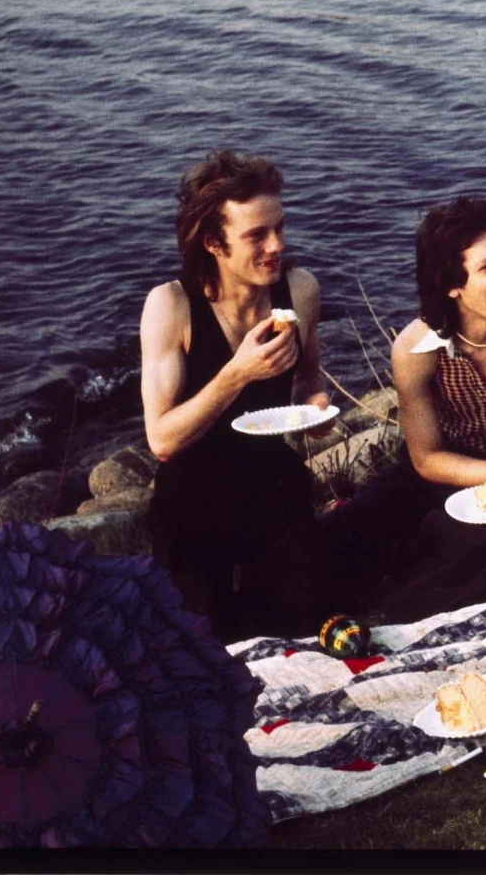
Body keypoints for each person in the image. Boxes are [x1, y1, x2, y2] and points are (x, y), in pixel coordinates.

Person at [319, 197, 486, 622]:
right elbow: (427, 458)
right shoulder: (415, 348)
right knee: (341, 533)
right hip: (443, 470)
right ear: (451, 284)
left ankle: (403, 606)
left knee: (479, 548)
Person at [141, 150, 332, 640]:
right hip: (192, 506)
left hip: (273, 489)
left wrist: (318, 409)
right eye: (256, 236)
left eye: (280, 228)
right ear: (213, 243)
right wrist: (237, 373)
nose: (277, 246)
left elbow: (309, 382)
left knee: (303, 632)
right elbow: (161, 440)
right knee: (200, 645)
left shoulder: (300, 291)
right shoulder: (171, 306)